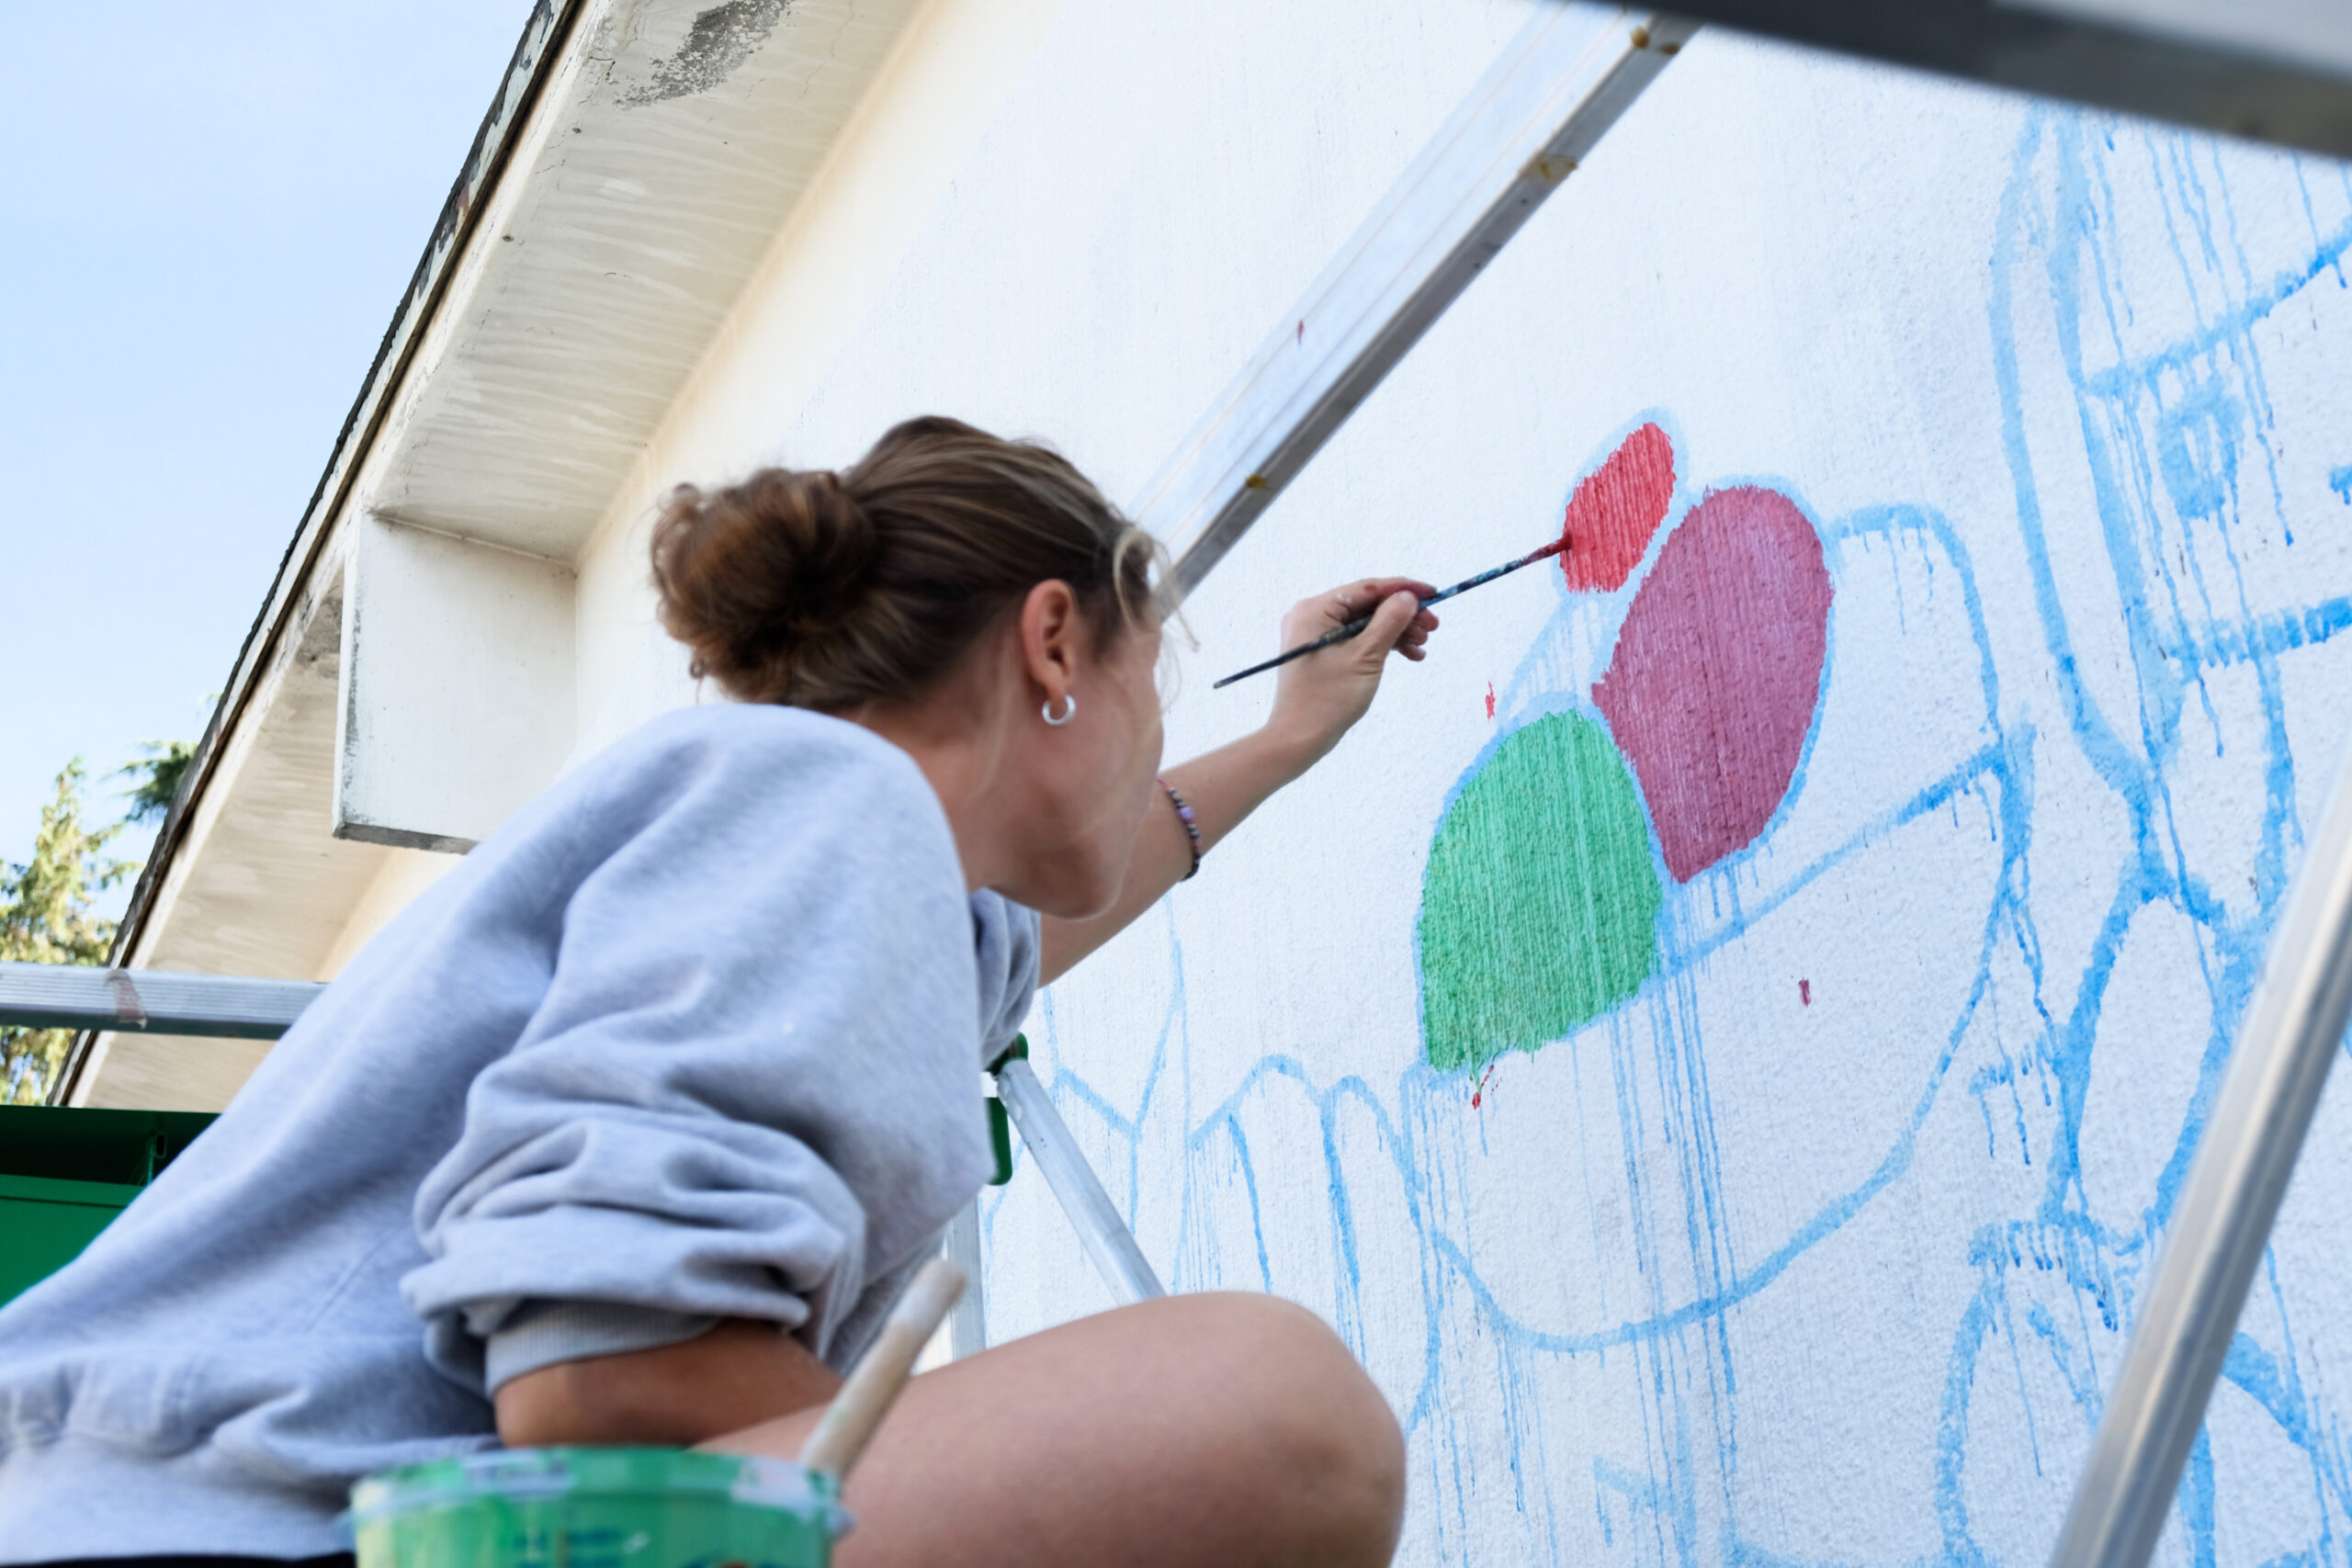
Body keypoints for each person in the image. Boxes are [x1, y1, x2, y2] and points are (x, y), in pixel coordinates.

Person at [0, 416, 1442, 1568]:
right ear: (1055, 642)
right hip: (276, 1534)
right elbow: (598, 1377)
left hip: (175, 1521)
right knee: (1272, 1415)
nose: (1157, 750)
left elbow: (1058, 906)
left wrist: (1287, 737)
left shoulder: (815, 845)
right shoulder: (828, 798)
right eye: (1161, 684)